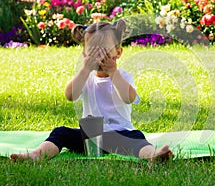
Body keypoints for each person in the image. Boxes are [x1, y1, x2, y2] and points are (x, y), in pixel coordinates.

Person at [10, 19, 174, 162]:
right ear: (84, 54)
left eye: (104, 51)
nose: (99, 57)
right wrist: (84, 70)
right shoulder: (85, 77)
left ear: (118, 53)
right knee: (60, 133)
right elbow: (70, 95)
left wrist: (113, 73)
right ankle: (37, 154)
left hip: (120, 135)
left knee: (138, 138)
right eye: (93, 52)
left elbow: (128, 98)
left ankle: (153, 156)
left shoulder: (123, 76)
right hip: (91, 137)